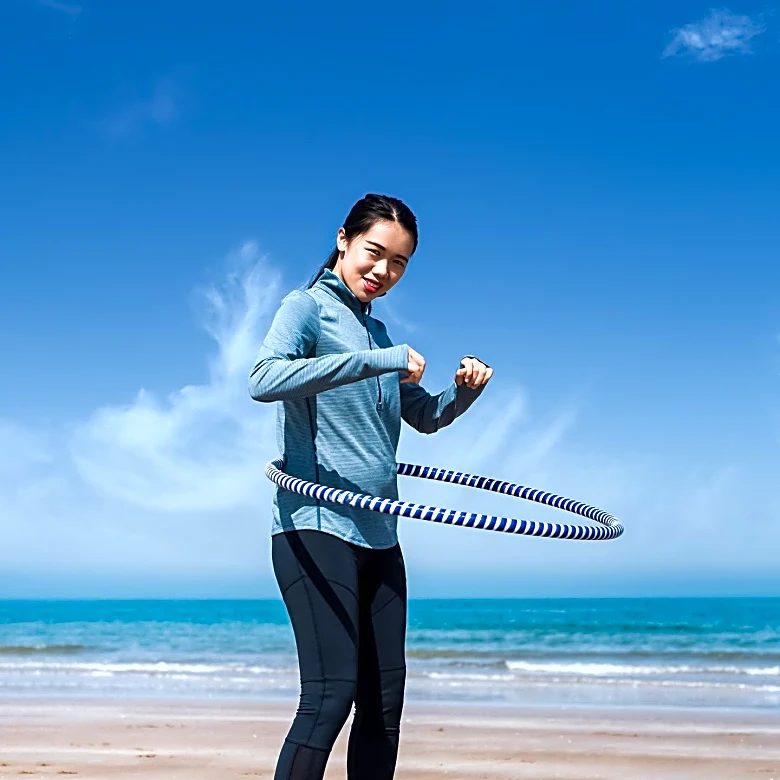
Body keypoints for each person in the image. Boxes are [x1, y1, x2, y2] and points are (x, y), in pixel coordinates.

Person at [248, 193, 493, 779]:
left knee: (384, 708)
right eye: (374, 253)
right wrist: (373, 360)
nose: (383, 272)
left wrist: (463, 393)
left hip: (380, 538)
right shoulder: (306, 308)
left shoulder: (377, 331)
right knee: (329, 697)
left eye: (400, 263)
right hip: (315, 526)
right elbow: (264, 378)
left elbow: (425, 417)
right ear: (343, 241)